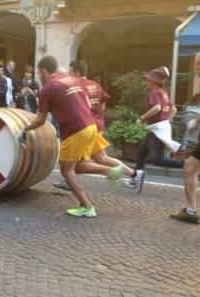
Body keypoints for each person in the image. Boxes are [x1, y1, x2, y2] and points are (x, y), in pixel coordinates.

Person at [19, 55, 127, 218]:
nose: (38, 77)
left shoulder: (48, 89)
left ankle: (87, 206)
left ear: (43, 71)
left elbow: (40, 120)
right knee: (78, 166)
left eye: (38, 73)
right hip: (91, 126)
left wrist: (24, 129)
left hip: (75, 129)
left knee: (66, 170)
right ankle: (112, 171)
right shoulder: (71, 80)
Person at [54, 61, 141, 192]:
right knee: (97, 158)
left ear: (76, 73)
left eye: (71, 72)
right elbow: (103, 106)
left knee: (86, 160)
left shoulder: (77, 86)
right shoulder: (95, 85)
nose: (70, 75)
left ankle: (127, 174)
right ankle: (134, 174)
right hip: (97, 124)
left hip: (84, 126)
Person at [124, 66, 183, 190]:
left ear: (154, 81)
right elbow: (174, 109)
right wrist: (167, 121)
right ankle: (135, 180)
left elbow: (157, 108)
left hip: (157, 129)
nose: (146, 82)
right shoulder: (164, 93)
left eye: (148, 80)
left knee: (157, 159)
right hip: (159, 127)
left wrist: (142, 118)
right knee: (141, 154)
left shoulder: (155, 92)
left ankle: (186, 163)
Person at [171, 49, 200, 224]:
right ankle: (191, 210)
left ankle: (191, 211)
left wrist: (196, 121)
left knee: (190, 167)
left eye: (198, 63)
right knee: (190, 166)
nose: (195, 67)